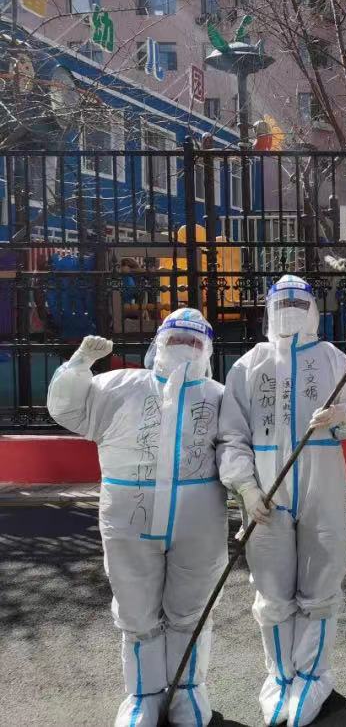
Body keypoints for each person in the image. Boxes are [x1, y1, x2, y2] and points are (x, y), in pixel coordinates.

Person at [47, 308, 226, 727]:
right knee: (135, 607)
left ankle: (187, 689)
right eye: (176, 339)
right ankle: (143, 694)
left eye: (195, 342)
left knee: (192, 608)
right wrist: (79, 366)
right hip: (129, 520)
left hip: (197, 522)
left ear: (208, 350)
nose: (184, 348)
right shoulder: (119, 386)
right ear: (158, 343)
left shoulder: (218, 397)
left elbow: (239, 445)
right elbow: (67, 409)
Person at [218, 275, 346, 727]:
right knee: (272, 588)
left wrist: (341, 415)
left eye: (298, 302)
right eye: (281, 302)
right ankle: (281, 675)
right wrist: (245, 487)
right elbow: (231, 435)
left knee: (321, 581)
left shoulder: (333, 359)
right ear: (268, 309)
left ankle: (313, 674)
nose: (289, 310)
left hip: (322, 486)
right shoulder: (249, 365)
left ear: (312, 309)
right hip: (267, 493)